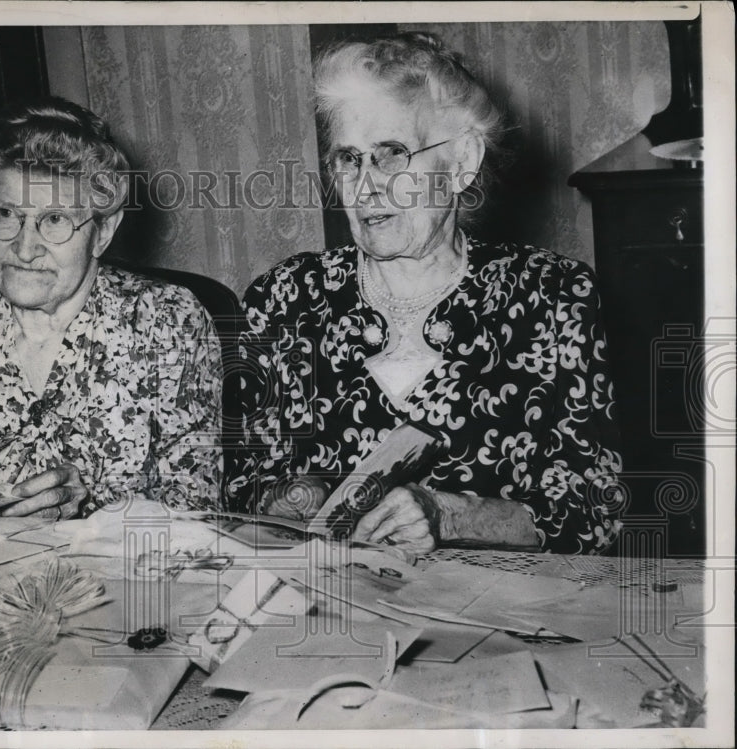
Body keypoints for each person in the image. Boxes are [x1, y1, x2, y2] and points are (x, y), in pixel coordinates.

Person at [225, 34, 622, 554]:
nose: (364, 186)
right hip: (329, 614)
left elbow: (595, 512)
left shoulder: (553, 297)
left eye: (390, 155)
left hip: (501, 616)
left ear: (462, 162)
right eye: (347, 159)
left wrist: (448, 514)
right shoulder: (283, 300)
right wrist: (293, 500)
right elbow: (234, 490)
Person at [0, 97, 222, 519]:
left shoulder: (168, 323)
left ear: (102, 231)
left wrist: (89, 509)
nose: (24, 249)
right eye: (7, 214)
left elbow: (196, 511)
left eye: (56, 220)